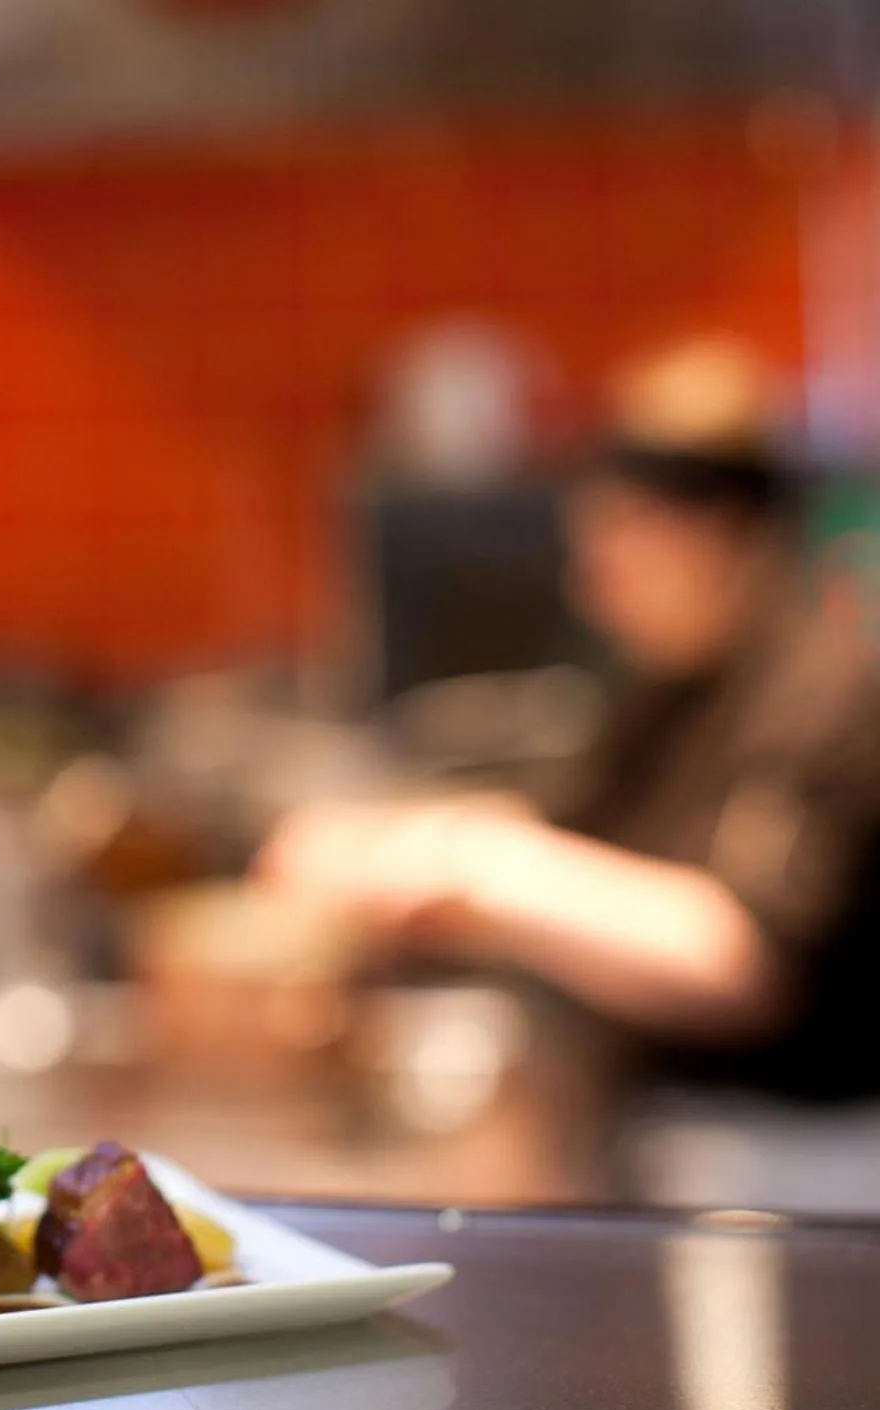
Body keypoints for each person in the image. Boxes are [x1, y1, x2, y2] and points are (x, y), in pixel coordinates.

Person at [259, 337, 880, 1101]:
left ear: (716, 533)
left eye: (616, 553)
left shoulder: (828, 688)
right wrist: (400, 843)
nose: (593, 591)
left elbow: (748, 963)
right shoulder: (673, 677)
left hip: (797, 1144)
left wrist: (478, 864)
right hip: (662, 1103)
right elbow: (575, 833)